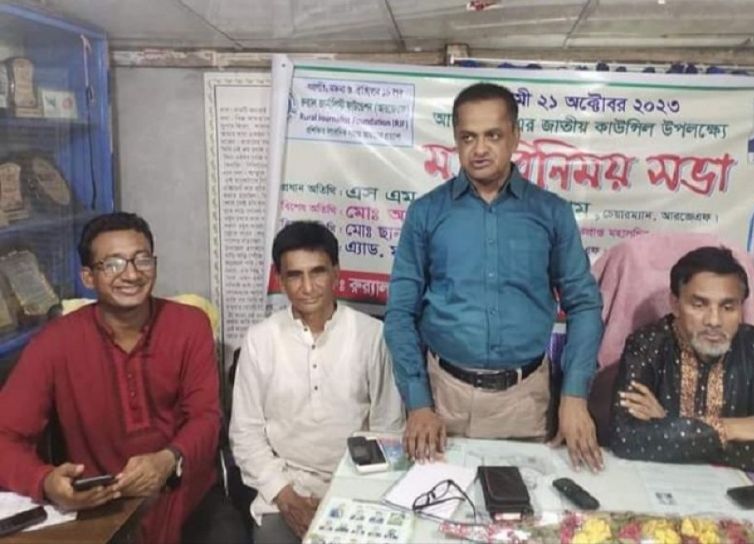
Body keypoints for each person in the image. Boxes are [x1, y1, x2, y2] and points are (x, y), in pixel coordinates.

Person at [384, 82, 604, 471]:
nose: (480, 149)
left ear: (515, 136)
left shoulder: (550, 213)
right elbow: (400, 313)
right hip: (442, 400)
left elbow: (584, 304)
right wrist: (418, 402)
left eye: (493, 135)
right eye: (468, 137)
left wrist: (574, 395)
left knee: (524, 507)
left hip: (525, 401)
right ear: (456, 140)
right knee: (437, 506)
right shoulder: (426, 213)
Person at [0, 212, 247, 543]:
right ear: (88, 277)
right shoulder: (54, 343)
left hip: (186, 493)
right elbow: (4, 436)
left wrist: (168, 459)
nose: (131, 274)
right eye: (113, 264)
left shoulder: (189, 325)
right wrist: (45, 481)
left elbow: (205, 416)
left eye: (142, 260)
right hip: (103, 503)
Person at [230, 221, 404, 544]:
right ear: (280, 280)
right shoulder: (260, 340)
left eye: (318, 272)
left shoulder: (372, 336)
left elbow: (388, 428)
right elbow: (245, 434)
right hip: (284, 490)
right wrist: (286, 497)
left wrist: (357, 493)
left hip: (358, 484)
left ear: (336, 273)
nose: (307, 287)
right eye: (295, 275)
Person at [610, 246, 754, 479]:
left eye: (728, 307)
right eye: (699, 305)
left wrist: (669, 426)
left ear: (741, 308)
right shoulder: (647, 345)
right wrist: (731, 428)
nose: (714, 321)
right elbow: (624, 438)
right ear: (675, 304)